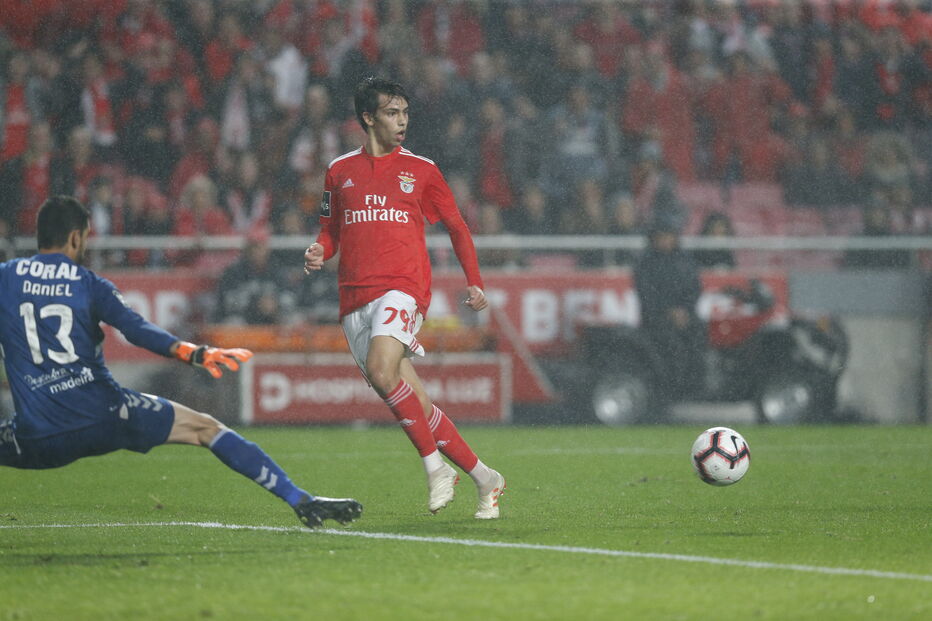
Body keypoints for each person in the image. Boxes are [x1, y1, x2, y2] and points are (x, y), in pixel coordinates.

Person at [0, 196, 361, 529]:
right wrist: (195, 353)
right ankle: (301, 499)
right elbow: (137, 330)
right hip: (106, 416)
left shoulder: (6, 277)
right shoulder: (91, 284)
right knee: (207, 429)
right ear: (76, 238)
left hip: (36, 433)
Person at [303, 77, 505, 519]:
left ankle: (435, 468)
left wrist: (475, 280)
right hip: (354, 296)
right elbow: (330, 230)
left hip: (404, 286)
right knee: (415, 400)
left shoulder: (424, 170)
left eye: (406, 113)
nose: (402, 122)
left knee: (380, 369)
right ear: (368, 118)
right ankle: (485, 478)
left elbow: (456, 226)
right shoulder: (339, 171)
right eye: (393, 113)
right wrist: (321, 250)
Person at [634, 218, 705, 401]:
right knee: (669, 346)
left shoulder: (685, 260)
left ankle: (696, 385)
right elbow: (647, 294)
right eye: (661, 237)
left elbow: (694, 288)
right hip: (655, 318)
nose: (665, 241)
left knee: (699, 340)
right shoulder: (645, 263)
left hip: (687, 315)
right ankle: (671, 388)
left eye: (668, 236)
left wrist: (685, 310)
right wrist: (668, 311)